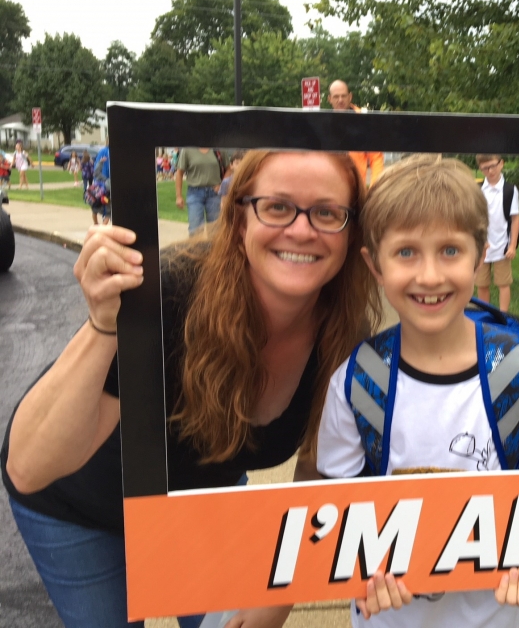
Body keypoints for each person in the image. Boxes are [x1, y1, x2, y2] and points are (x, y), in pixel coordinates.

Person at [1, 150, 382, 628]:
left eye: (327, 213)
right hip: (82, 508)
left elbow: (319, 465)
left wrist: (287, 586)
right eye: (277, 206)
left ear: (351, 233)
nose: (302, 230)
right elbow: (30, 466)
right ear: (240, 218)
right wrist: (104, 324)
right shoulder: (173, 292)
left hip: (203, 500)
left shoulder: (345, 333)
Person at [317, 154, 519, 627]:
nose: (430, 276)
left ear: (479, 252)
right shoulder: (357, 382)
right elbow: (335, 520)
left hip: (491, 615)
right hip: (388, 618)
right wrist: (360, 573)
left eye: (450, 250)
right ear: (374, 264)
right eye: (406, 252)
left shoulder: (518, 371)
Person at [474, 154, 519, 312]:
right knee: (482, 284)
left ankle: (503, 315)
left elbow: (515, 220)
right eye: (485, 168)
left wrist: (512, 246)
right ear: (480, 169)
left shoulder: (510, 190)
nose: (490, 170)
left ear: (501, 164)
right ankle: (485, 314)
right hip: (482, 246)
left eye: (493, 165)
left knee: (503, 283)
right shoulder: (478, 190)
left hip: (502, 246)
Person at [328, 80, 384, 186]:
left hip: (357, 188)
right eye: (336, 96)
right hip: (331, 188)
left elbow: (376, 158)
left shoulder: (364, 121)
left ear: (350, 96)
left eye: (343, 96)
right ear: (329, 99)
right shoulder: (324, 123)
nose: (340, 100)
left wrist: (374, 189)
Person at [176, 147, 224, 237]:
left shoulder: (218, 149)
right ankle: (196, 251)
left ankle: (214, 250)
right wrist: (178, 196)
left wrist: (222, 185)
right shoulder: (187, 150)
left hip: (214, 194)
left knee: (215, 229)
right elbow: (179, 173)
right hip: (194, 193)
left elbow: (228, 168)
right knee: (195, 229)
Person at [94, 139, 111, 225]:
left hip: (101, 184)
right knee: (108, 211)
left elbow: (96, 172)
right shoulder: (107, 152)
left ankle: (96, 224)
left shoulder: (102, 152)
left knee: (96, 206)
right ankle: (101, 227)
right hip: (106, 185)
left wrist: (100, 163)